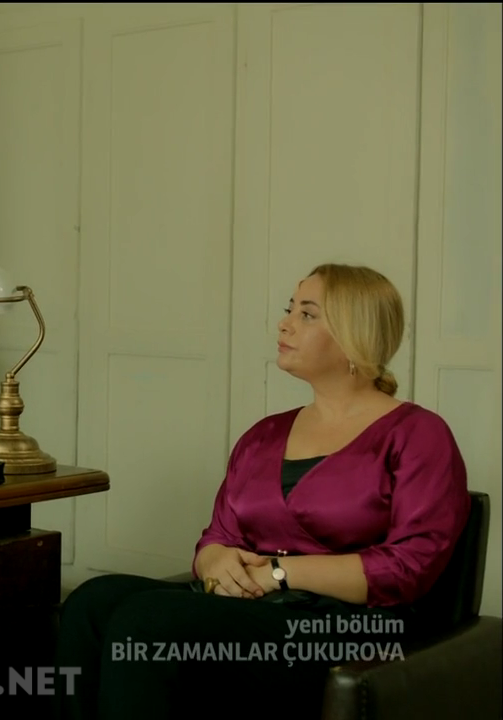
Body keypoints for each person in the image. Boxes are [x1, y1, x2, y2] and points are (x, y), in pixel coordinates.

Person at [53, 263, 471, 720]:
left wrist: (280, 573)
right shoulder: (265, 435)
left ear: (356, 334)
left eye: (307, 314)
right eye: (290, 309)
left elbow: (409, 568)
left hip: (346, 628)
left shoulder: (418, 434)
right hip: (254, 610)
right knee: (92, 602)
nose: (284, 324)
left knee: (149, 621)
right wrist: (213, 560)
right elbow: (219, 535)